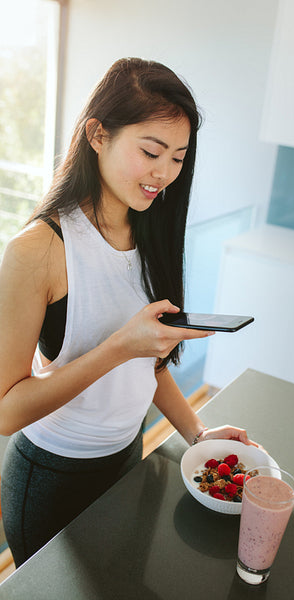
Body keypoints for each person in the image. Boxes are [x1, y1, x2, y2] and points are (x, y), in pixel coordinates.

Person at [0, 57, 258, 568]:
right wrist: (121, 346)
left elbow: (149, 360)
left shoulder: (148, 233)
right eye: (151, 151)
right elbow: (7, 410)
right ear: (97, 134)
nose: (164, 174)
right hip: (52, 473)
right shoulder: (39, 249)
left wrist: (197, 434)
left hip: (127, 455)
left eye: (179, 158)